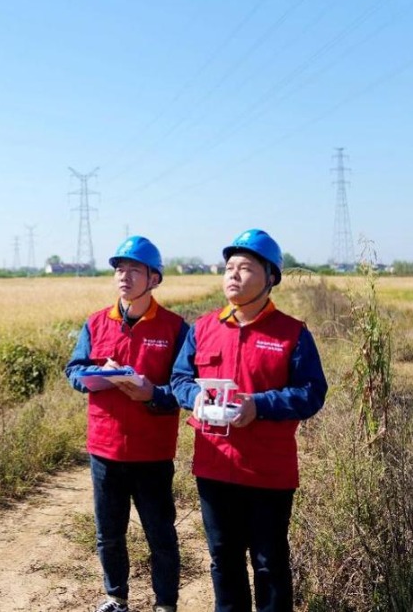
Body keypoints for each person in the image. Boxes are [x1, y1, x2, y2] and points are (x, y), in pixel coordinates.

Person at [170, 229, 327, 612]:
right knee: (224, 558)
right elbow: (179, 379)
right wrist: (196, 399)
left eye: (245, 268)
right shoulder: (203, 328)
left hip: (267, 470)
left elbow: (311, 393)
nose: (233, 275)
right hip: (214, 464)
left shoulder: (292, 334)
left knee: (269, 562)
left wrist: (259, 405)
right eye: (229, 268)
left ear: (270, 277)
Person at [65, 235, 188, 612]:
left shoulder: (175, 328)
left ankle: (165, 604)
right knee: (109, 534)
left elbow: (186, 387)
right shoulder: (96, 323)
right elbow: (74, 370)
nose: (124, 276)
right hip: (105, 449)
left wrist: (153, 393)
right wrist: (94, 375)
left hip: (151, 452)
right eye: (120, 269)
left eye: (135, 269)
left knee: (160, 535)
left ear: (154, 279)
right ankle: (115, 598)